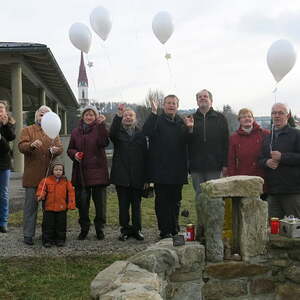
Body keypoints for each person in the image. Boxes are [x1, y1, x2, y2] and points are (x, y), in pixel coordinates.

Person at [143, 95, 189, 239]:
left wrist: (190, 129)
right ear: (164, 105)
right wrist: (153, 113)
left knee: (175, 201)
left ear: (177, 105)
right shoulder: (157, 119)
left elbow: (188, 142)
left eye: (174, 103)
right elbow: (146, 132)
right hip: (160, 169)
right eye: (168, 103)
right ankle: (164, 229)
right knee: (162, 201)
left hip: (177, 169)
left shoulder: (182, 122)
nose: (171, 105)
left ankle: (174, 227)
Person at [187, 89, 229, 240]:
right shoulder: (190, 118)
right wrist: (189, 130)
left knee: (215, 200)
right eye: (199, 97)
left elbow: (226, 142)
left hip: (215, 167)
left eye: (205, 97)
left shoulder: (220, 118)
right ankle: (202, 229)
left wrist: (225, 164)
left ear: (211, 100)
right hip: (197, 167)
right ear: (196, 101)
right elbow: (185, 142)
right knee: (200, 199)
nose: (202, 99)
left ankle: (216, 230)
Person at [18, 105, 63, 245]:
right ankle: (28, 235)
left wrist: (55, 150)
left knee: (48, 209)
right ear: (36, 115)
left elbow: (60, 148)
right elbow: (21, 146)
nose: (43, 116)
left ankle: (47, 235)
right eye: (41, 114)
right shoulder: (27, 130)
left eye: (46, 114)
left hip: (49, 176)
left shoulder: (54, 132)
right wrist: (31, 145)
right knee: (30, 208)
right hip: (32, 176)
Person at [67, 105, 109, 241]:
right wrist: (75, 154)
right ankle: (84, 228)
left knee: (100, 205)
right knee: (83, 204)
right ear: (83, 117)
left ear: (96, 117)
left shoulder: (100, 129)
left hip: (98, 173)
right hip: (82, 174)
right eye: (87, 114)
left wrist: (102, 126)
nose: (89, 117)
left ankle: (99, 229)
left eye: (92, 115)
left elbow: (104, 142)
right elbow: (70, 149)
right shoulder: (75, 132)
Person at [110, 104, 147, 241]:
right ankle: (125, 230)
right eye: (125, 115)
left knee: (136, 206)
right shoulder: (117, 133)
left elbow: (145, 155)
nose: (128, 117)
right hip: (121, 176)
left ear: (135, 118)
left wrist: (146, 178)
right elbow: (111, 132)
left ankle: (137, 230)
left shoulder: (141, 134)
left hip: (137, 176)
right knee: (123, 206)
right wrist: (118, 115)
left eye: (130, 115)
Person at [259, 103, 300, 219]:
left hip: (292, 192)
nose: (277, 116)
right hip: (273, 192)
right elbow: (260, 159)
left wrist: (283, 157)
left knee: (295, 232)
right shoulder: (268, 137)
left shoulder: (296, 134)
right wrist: (266, 162)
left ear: (288, 116)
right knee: (272, 231)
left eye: (280, 113)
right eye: (274, 113)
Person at [228, 108, 269, 197]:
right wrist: (233, 178)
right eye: (243, 117)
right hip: (244, 178)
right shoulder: (234, 138)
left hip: (262, 177)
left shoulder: (264, 134)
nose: (247, 119)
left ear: (253, 119)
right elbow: (231, 161)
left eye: (249, 116)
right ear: (239, 120)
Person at [36, 161, 75, 247]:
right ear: (52, 170)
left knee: (61, 225)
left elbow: (71, 193)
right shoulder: (46, 180)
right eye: (56, 169)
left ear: (63, 171)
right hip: (48, 208)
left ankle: (60, 240)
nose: (58, 171)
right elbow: (41, 190)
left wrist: (71, 204)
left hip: (61, 208)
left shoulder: (66, 182)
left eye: (60, 170)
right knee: (48, 225)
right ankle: (47, 240)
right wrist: (40, 196)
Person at [0, 100, 16, 233]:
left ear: (6, 111)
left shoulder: (9, 124)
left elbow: (7, 145)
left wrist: (5, 125)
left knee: (3, 194)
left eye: (1, 109)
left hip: (3, 164)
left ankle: (3, 221)